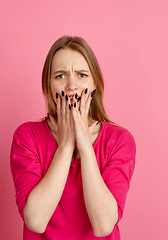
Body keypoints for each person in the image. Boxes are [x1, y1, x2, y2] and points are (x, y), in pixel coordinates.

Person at [10, 35, 136, 239]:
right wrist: (66, 147)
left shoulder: (119, 141)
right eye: (60, 76)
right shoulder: (27, 136)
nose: (71, 86)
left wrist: (85, 148)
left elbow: (104, 226)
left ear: (95, 83)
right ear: (48, 86)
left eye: (81, 75)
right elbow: (36, 220)